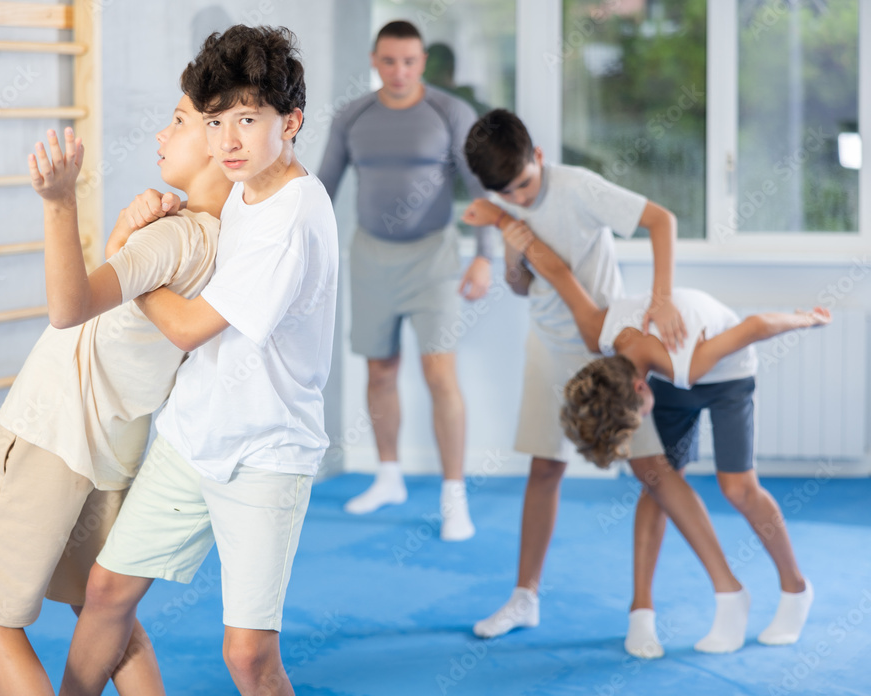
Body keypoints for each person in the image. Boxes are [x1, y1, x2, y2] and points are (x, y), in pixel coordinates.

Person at [58, 26, 337, 696]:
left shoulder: (294, 217)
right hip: (192, 435)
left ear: (290, 122)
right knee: (106, 590)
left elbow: (186, 328)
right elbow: (203, 222)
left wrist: (134, 262)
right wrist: (163, 207)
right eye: (215, 123)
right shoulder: (244, 187)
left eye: (247, 120)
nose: (228, 142)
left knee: (247, 657)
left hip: (266, 452)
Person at [0, 85, 232, 696]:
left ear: (220, 139)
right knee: (105, 618)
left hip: (51, 432)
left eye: (178, 120)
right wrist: (120, 241)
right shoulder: (226, 240)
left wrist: (58, 201)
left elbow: (69, 306)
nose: (161, 134)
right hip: (114, 452)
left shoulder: (172, 237)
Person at [471, 197, 824, 655]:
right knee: (656, 483)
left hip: (727, 374)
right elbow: (556, 272)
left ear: (639, 391)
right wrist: (502, 219)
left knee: (738, 489)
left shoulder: (690, 361)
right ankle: (643, 612)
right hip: (668, 376)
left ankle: (796, 590)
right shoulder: (595, 329)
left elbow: (756, 325)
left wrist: (807, 319)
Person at [460, 108, 686, 639]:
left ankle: (642, 612)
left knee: (652, 472)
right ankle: (524, 597)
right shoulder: (504, 209)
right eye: (504, 195)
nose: (517, 199)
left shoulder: (578, 187)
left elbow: (662, 220)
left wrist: (663, 300)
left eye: (522, 185)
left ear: (537, 157)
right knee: (545, 468)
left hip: (612, 344)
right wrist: (515, 261)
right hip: (548, 345)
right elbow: (522, 287)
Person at [318, 20, 495, 541]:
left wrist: (486, 256)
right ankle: (389, 476)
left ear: (422, 63)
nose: (400, 72)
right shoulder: (353, 116)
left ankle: (453, 497)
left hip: (433, 257)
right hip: (370, 256)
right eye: (390, 61)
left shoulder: (449, 111)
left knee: (441, 375)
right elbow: (321, 188)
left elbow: (481, 185)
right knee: (380, 372)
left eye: (410, 62)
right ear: (375, 60)